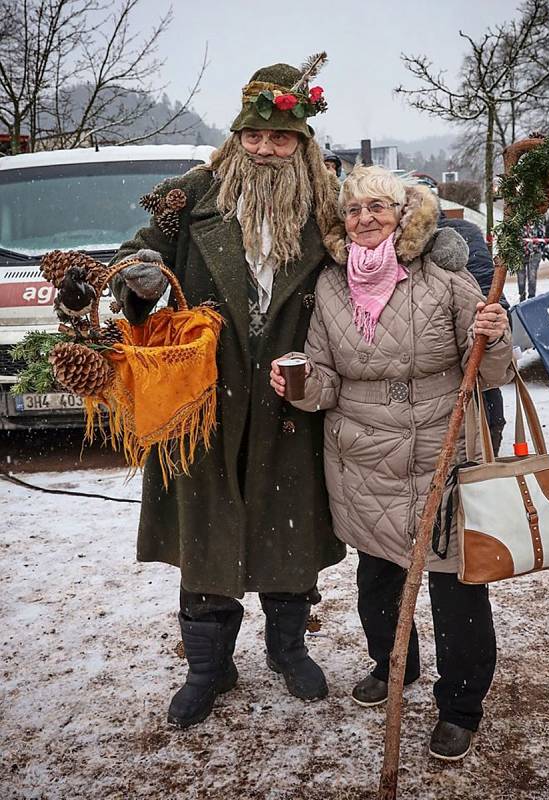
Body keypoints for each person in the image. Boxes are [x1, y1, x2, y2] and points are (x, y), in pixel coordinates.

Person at [106, 61, 347, 729]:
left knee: (289, 530)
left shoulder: (328, 204)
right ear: (237, 136)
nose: (265, 150)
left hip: (290, 398)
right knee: (207, 536)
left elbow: (391, 241)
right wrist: (142, 277)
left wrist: (444, 242)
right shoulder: (191, 195)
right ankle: (208, 669)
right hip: (204, 402)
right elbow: (134, 257)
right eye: (254, 137)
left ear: (302, 143)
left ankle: (287, 650)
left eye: (280, 140)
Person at [271, 166, 513, 761]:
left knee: (455, 584)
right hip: (361, 458)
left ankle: (460, 704)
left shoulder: (447, 278)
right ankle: (392, 663)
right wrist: (298, 385)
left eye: (379, 207)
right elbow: (325, 379)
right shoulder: (330, 287)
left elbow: (492, 372)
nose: (366, 219)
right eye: (354, 211)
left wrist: (497, 332)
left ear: (404, 215)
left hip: (440, 450)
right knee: (377, 577)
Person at [438, 210, 509, 456]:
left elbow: (484, 280)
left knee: (482, 398)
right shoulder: (467, 229)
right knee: (488, 394)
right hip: (483, 329)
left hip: (471, 334)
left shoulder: (439, 241)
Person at [517, 218, 547, 301]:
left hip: (534, 254)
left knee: (532, 277)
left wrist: (541, 245)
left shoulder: (538, 224)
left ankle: (531, 297)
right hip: (520, 255)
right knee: (521, 278)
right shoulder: (517, 223)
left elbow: (543, 237)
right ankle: (522, 296)